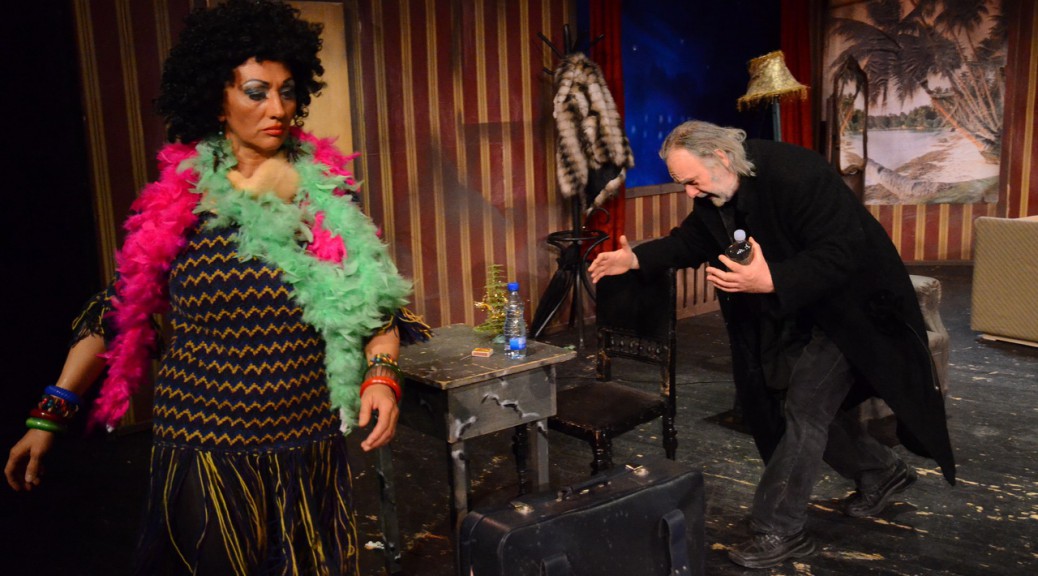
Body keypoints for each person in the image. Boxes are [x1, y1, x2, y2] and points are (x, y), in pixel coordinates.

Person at [4, 1, 428, 573]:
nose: (277, 108)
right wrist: (49, 414)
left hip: (307, 440)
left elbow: (374, 305)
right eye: (256, 92)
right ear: (216, 99)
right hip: (206, 442)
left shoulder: (326, 194)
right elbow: (122, 312)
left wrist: (382, 378)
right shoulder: (182, 199)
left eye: (287, 91)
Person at [588, 120, 955, 569]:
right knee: (794, 403)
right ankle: (881, 472)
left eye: (692, 181)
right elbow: (694, 239)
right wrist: (635, 257)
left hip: (856, 309)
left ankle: (779, 529)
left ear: (721, 157)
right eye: (683, 183)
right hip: (801, 308)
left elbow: (843, 252)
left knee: (806, 405)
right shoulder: (717, 190)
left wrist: (772, 279)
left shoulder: (799, 174)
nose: (689, 192)